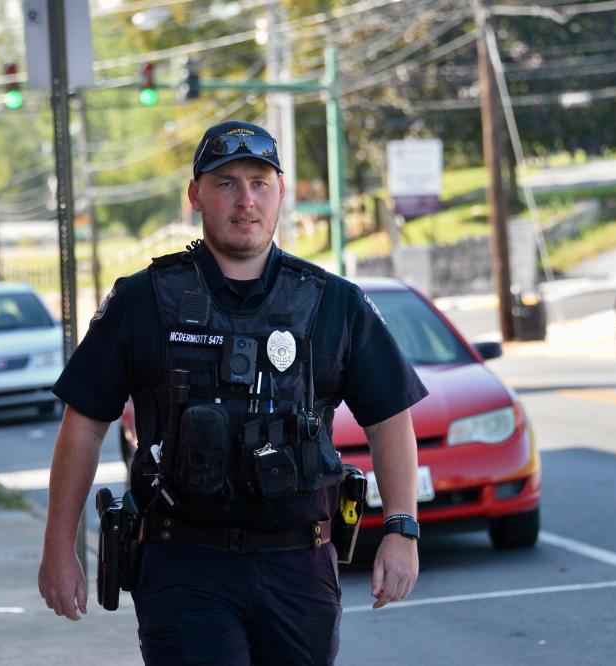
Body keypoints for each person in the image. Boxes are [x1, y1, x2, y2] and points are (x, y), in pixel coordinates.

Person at [38, 120, 428, 665]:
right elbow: (83, 422)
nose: (245, 200)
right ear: (195, 195)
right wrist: (60, 546)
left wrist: (401, 529)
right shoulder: (143, 300)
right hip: (184, 565)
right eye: (225, 183)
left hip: (300, 567)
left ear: (280, 193)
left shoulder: (335, 303)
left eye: (259, 182)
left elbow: (390, 419)